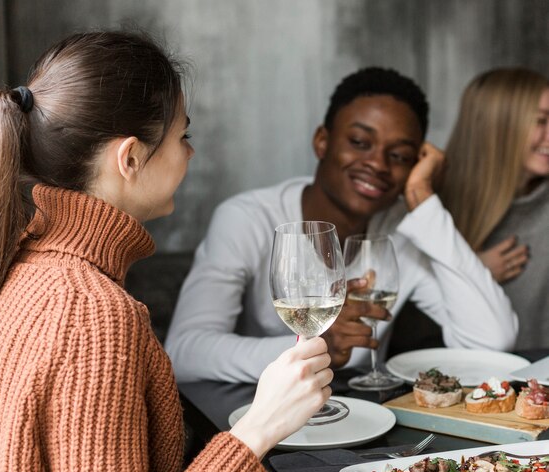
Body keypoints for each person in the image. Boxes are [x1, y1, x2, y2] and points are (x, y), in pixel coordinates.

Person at [0, 31, 335, 472]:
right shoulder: (92, 313)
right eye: (183, 136)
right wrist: (259, 427)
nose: (191, 154)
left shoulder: (29, 267)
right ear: (129, 158)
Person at [165, 68, 518, 384]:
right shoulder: (248, 219)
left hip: (360, 419)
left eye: (398, 156)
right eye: (360, 143)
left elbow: (491, 339)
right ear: (322, 141)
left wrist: (423, 199)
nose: (378, 164)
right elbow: (185, 352)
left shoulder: (402, 232)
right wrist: (313, 348)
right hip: (252, 414)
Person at [441, 67, 549, 350]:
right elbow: (407, 331)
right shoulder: (435, 210)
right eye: (540, 120)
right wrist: (472, 273)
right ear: (500, 126)